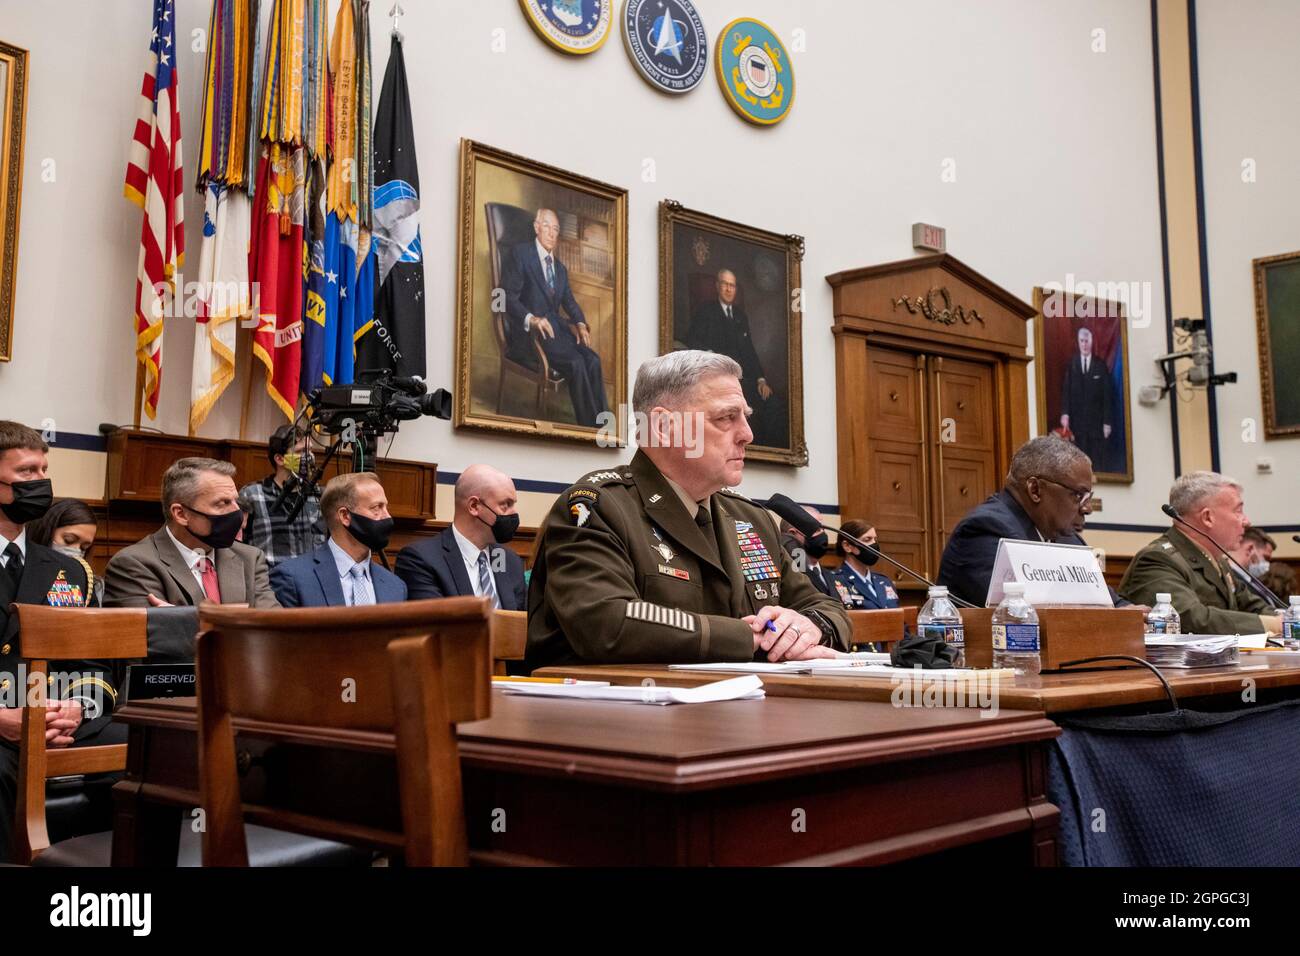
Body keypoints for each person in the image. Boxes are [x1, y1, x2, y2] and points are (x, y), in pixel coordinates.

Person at [526, 350, 851, 669]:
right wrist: (750, 636)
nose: (747, 435)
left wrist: (812, 626)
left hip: (745, 712)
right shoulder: (596, 508)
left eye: (745, 417)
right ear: (664, 427)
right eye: (726, 417)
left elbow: (821, 605)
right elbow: (606, 622)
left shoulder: (751, 519)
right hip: (621, 716)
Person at [0, 421, 119, 863]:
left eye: (44, 469)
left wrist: (75, 708)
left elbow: (94, 665)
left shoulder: (69, 571)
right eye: (27, 472)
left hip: (54, 715)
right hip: (2, 720)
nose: (41, 482)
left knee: (148, 750)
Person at [938, 436, 1117, 607]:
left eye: (1088, 497)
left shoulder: (1068, 540)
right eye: (1078, 495)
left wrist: (1133, 611)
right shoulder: (985, 530)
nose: (1087, 509)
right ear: (1035, 490)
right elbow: (1020, 613)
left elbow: (1109, 601)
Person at [103, 458, 280, 609]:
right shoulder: (134, 564)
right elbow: (152, 640)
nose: (237, 513)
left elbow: (273, 629)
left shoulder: (249, 558)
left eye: (235, 501)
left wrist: (183, 619)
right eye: (222, 503)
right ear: (181, 514)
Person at [1120, 472, 1281, 635]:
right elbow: (1192, 619)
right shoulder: (1157, 559)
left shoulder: (1218, 560)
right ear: (1207, 517)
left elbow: (1251, 605)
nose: (1246, 521)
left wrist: (1285, 619)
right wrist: (1273, 625)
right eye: (1238, 511)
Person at [500, 208, 609, 427]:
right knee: (577, 362)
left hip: (557, 332)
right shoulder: (520, 254)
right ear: (536, 227)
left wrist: (580, 323)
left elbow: (569, 301)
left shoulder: (560, 268)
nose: (552, 233)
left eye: (556, 229)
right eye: (547, 226)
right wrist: (532, 319)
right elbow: (507, 298)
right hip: (530, 334)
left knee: (593, 359)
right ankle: (590, 428)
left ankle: (605, 424)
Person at [394, 464, 526, 609]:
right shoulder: (421, 560)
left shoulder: (508, 560)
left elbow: (520, 622)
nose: (514, 513)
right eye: (505, 505)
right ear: (474, 506)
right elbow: (438, 626)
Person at [270, 473, 406, 607]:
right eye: (377, 508)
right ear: (345, 516)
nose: (387, 516)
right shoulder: (293, 579)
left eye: (386, 507)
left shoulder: (396, 587)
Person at [684, 269, 783, 447]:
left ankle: (764, 449)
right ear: (717, 286)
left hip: (745, 379)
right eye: (725, 284)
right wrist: (711, 356)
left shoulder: (740, 316)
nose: (729, 289)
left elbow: (749, 352)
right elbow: (692, 340)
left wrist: (761, 379)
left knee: (773, 403)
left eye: (732, 285)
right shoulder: (706, 311)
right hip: (720, 378)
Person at [237, 424, 326, 566]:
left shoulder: (320, 496)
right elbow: (238, 545)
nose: (309, 457)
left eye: (310, 450)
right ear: (279, 459)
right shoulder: (252, 494)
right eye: (301, 451)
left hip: (311, 581)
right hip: (270, 582)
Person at [26, 498, 102, 605]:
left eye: (84, 547)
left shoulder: (85, 579)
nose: (76, 550)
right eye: (69, 540)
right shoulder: (20, 566)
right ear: (47, 531)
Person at [1059, 327, 1114, 473]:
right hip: (1077, 424)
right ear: (1078, 342)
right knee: (1077, 459)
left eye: (1087, 341)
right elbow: (1066, 391)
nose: (1084, 344)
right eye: (1081, 341)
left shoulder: (1100, 365)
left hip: (1096, 425)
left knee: (1096, 460)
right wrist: (1065, 414)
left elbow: (1107, 396)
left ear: (1091, 342)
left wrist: (1107, 422)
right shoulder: (1072, 364)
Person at [832, 519, 900, 611]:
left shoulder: (884, 581)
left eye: (875, 539)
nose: (874, 544)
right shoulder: (835, 581)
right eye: (867, 539)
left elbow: (900, 620)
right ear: (847, 546)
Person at [778, 504, 835, 597]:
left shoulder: (835, 577)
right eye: (816, 530)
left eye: (823, 529)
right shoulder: (787, 577)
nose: (823, 534)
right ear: (792, 534)